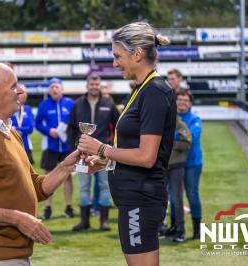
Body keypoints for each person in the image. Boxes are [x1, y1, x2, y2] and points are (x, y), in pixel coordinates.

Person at [0, 62, 81, 265]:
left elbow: (33, 186)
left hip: (10, 256)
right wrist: (18, 219)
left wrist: (66, 166)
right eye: (13, 86)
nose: (20, 91)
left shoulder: (10, 132)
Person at [78, 22, 174, 266]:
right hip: (133, 199)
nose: (114, 63)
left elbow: (147, 157)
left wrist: (101, 148)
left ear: (138, 54)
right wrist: (106, 161)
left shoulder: (154, 91)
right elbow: (135, 149)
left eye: (117, 56)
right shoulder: (143, 89)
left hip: (141, 200)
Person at [67, 74, 119, 231]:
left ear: (100, 85)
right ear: (87, 85)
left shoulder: (109, 104)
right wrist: (74, 149)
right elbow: (71, 128)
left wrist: (113, 149)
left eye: (97, 83)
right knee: (84, 186)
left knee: (104, 186)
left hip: (104, 154)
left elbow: (118, 127)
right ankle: (85, 221)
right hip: (82, 154)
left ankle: (104, 221)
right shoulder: (78, 104)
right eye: (92, 83)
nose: (94, 86)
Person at [35, 78, 75, 219]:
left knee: (67, 176)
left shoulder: (70, 103)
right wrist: (48, 131)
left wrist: (68, 129)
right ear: (49, 90)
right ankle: (47, 208)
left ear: (62, 89)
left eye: (57, 87)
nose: (54, 89)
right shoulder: (44, 104)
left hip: (66, 146)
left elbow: (76, 122)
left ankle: (69, 207)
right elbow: (37, 124)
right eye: (52, 87)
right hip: (50, 145)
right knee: (48, 177)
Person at [175, 89, 203, 239]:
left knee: (192, 195)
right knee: (175, 195)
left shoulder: (195, 119)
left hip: (192, 162)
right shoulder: (170, 118)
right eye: (179, 99)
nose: (182, 102)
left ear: (190, 103)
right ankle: (175, 226)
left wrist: (173, 136)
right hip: (174, 162)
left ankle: (197, 230)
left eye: (185, 100)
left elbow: (191, 136)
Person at [163, 116, 192, 242]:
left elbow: (187, 144)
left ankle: (180, 231)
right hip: (160, 166)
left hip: (176, 166)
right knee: (159, 198)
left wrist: (170, 140)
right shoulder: (155, 121)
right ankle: (160, 228)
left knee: (176, 199)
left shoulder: (180, 124)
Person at [11, 85, 35, 164]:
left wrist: (16, 129)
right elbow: (6, 127)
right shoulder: (9, 108)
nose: (24, 94)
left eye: (26, 92)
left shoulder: (27, 109)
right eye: (22, 92)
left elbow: (31, 128)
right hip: (12, 145)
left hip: (26, 145)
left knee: (28, 173)